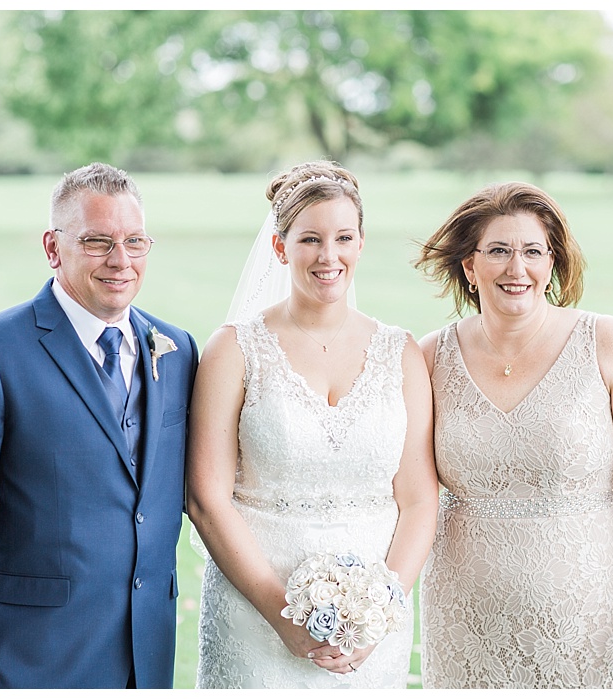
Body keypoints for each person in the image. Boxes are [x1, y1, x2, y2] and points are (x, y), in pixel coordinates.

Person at [0, 163, 198, 689]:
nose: (121, 261)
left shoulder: (177, 348)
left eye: (135, 242)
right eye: (98, 242)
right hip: (30, 654)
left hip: (148, 653)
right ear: (53, 247)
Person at [414, 182, 613, 689]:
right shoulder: (431, 357)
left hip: (585, 623)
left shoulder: (607, 342)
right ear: (470, 267)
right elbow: (409, 497)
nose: (516, 269)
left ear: (552, 263)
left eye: (532, 251)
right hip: (463, 622)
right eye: (498, 251)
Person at [187, 161, 438, 688]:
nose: (329, 256)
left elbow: (418, 499)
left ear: (362, 244)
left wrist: (381, 609)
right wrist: (282, 616)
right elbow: (206, 498)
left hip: (370, 632)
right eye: (310, 239)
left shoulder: (401, 353)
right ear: (280, 248)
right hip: (253, 619)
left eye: (344, 237)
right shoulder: (234, 349)